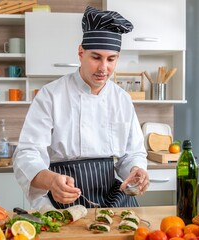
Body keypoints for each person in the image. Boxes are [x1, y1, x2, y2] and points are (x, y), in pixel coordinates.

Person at [13, 6, 149, 210]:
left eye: (111, 59)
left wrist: (136, 170)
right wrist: (51, 181)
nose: (104, 68)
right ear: (81, 53)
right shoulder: (51, 95)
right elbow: (27, 153)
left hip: (112, 197)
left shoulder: (122, 99)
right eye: (96, 57)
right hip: (62, 195)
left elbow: (132, 153)